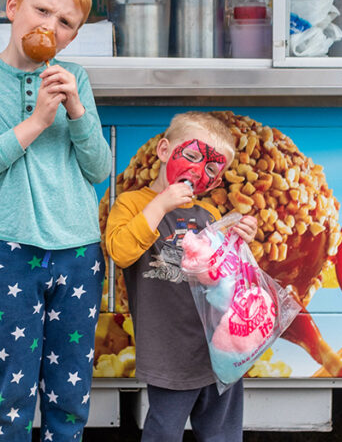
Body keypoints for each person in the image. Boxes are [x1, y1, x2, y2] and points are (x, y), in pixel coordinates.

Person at [0, 0, 112, 441]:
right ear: (12, 7)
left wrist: (75, 111)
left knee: (70, 388)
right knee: (13, 384)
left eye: (65, 23)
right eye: (42, 10)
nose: (49, 26)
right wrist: (38, 120)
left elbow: (98, 169)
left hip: (79, 252)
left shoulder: (74, 78)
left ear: (72, 37)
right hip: (12, 253)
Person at [104, 112, 259, 442]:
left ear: (215, 183)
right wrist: (161, 205)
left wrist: (241, 238)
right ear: (164, 151)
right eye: (190, 156)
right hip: (168, 351)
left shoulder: (211, 215)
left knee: (223, 434)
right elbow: (120, 252)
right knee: (163, 431)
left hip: (220, 349)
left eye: (211, 169)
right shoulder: (132, 204)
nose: (197, 170)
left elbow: (227, 280)